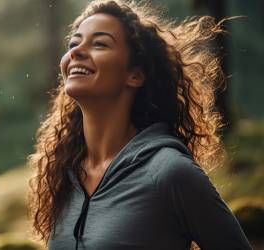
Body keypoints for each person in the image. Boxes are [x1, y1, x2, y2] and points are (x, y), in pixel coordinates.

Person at [26, 0, 253, 249]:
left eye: (99, 43)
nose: (76, 52)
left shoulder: (169, 172)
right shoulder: (63, 177)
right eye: (73, 43)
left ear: (135, 75)